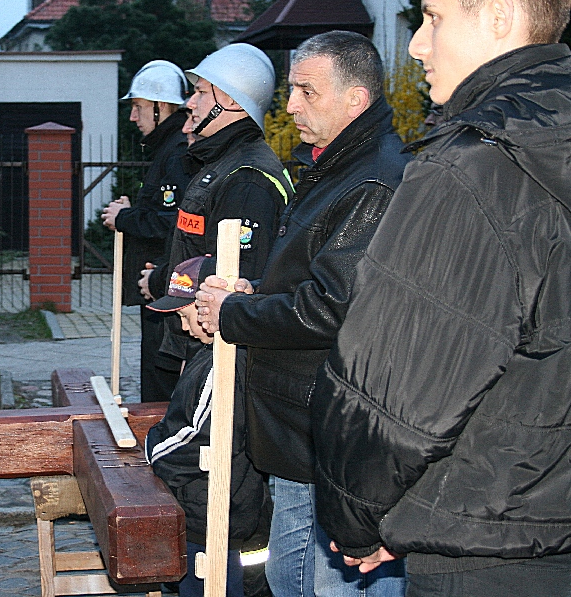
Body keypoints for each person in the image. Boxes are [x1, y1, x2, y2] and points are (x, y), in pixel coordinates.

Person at [309, 0, 571, 595]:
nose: (419, 44)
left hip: (483, 550)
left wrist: (361, 521)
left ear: (500, 19)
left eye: (433, 18)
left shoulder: (471, 171)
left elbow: (393, 392)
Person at [194, 31, 410, 597]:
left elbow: (334, 307)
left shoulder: (373, 180)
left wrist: (237, 313)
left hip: (334, 434)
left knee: (323, 585)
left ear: (355, 101)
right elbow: (311, 276)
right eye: (291, 90)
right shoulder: (335, 165)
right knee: (289, 583)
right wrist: (253, 291)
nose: (290, 106)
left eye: (306, 91)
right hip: (297, 432)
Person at [151, 44, 294, 368]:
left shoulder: (247, 179)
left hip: (218, 350)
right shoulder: (225, 164)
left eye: (201, 92)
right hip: (200, 342)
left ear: (229, 100)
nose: (191, 103)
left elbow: (238, 276)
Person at [146, 255, 268, 597]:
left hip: (212, 514)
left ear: (206, 308)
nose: (185, 328)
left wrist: (153, 446)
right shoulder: (209, 351)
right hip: (215, 508)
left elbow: (200, 437)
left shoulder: (225, 360)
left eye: (187, 317)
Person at [101, 60, 192, 402]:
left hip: (166, 282)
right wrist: (131, 212)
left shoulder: (177, 152)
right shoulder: (169, 149)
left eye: (138, 107)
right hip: (157, 282)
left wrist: (124, 218)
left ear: (161, 107)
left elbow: (171, 221)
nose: (132, 117)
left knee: (160, 375)